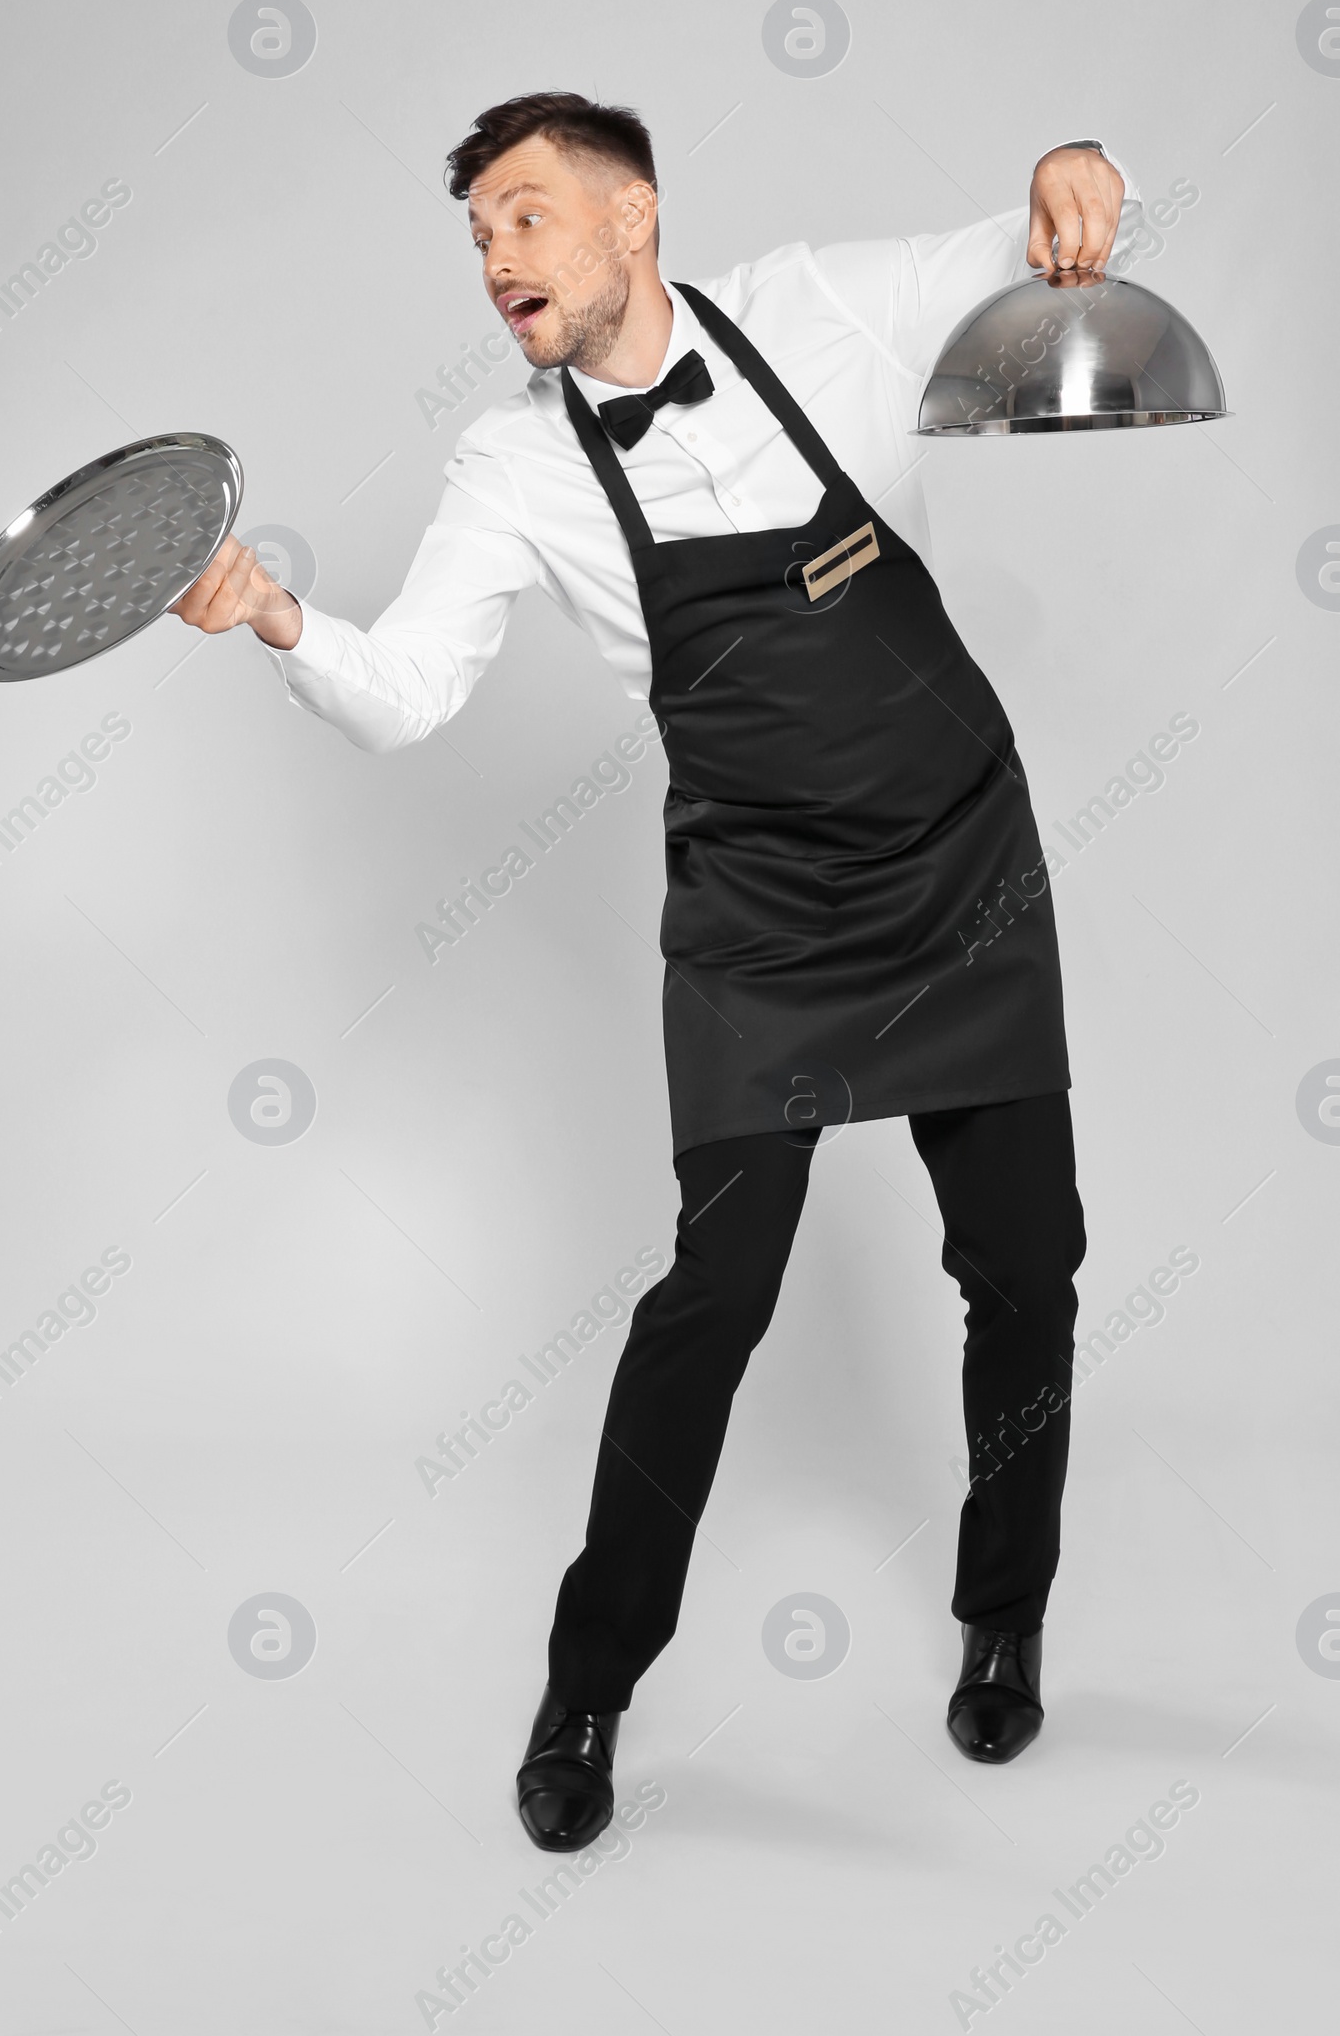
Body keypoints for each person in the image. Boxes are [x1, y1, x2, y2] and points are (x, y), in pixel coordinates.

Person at [171, 92, 1125, 1851]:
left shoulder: (831, 308)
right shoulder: (512, 469)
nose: (498, 261)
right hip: (764, 920)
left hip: (963, 878)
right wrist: (281, 622)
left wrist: (1083, 164)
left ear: (635, 217)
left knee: (1029, 1268)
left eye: (527, 218)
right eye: (477, 240)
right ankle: (590, 1686)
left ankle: (1006, 1611)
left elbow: (1047, 228)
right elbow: (409, 698)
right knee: (712, 1306)